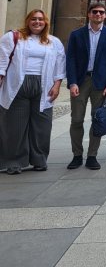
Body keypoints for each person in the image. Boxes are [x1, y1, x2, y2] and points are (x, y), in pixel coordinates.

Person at [0, 10, 65, 174]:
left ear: (46, 22)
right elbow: (2, 59)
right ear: (28, 21)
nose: (37, 22)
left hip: (43, 86)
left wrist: (57, 85)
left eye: (41, 19)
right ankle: (13, 161)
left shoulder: (53, 41)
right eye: (34, 19)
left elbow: (60, 65)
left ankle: (39, 159)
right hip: (17, 85)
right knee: (15, 126)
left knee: (42, 125)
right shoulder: (13, 37)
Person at [66, 3, 106, 170]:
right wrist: (72, 81)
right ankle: (77, 154)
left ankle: (92, 156)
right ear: (89, 14)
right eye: (95, 11)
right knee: (76, 119)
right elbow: (71, 60)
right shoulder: (77, 34)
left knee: (98, 120)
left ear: (105, 16)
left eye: (101, 12)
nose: (98, 14)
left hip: (101, 83)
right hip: (81, 81)